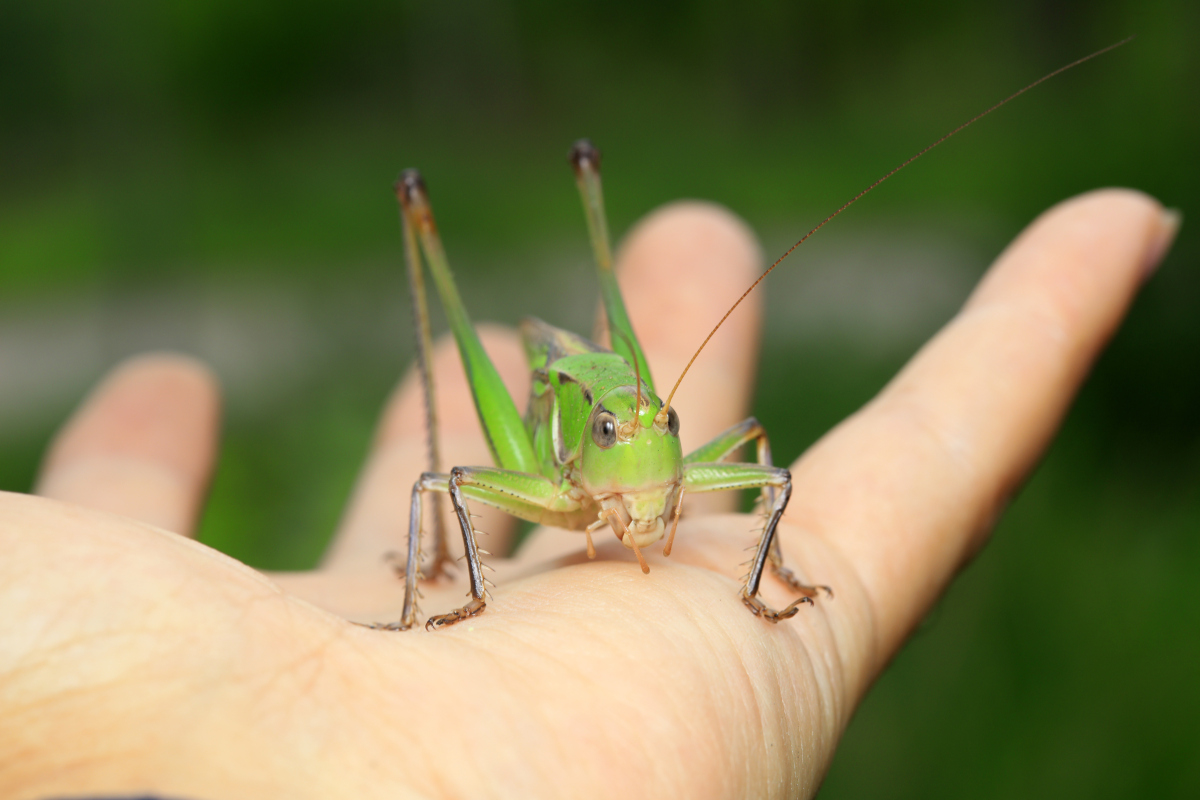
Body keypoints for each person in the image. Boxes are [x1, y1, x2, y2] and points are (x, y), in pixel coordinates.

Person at [0, 190, 1178, 799]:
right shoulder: (575, 441)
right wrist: (444, 575)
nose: (660, 465)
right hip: (558, 419)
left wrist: (771, 574)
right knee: (444, 466)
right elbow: (451, 477)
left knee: (751, 451)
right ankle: (433, 579)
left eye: (661, 443)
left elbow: (762, 461)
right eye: (640, 442)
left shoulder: (664, 431)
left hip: (613, 394)